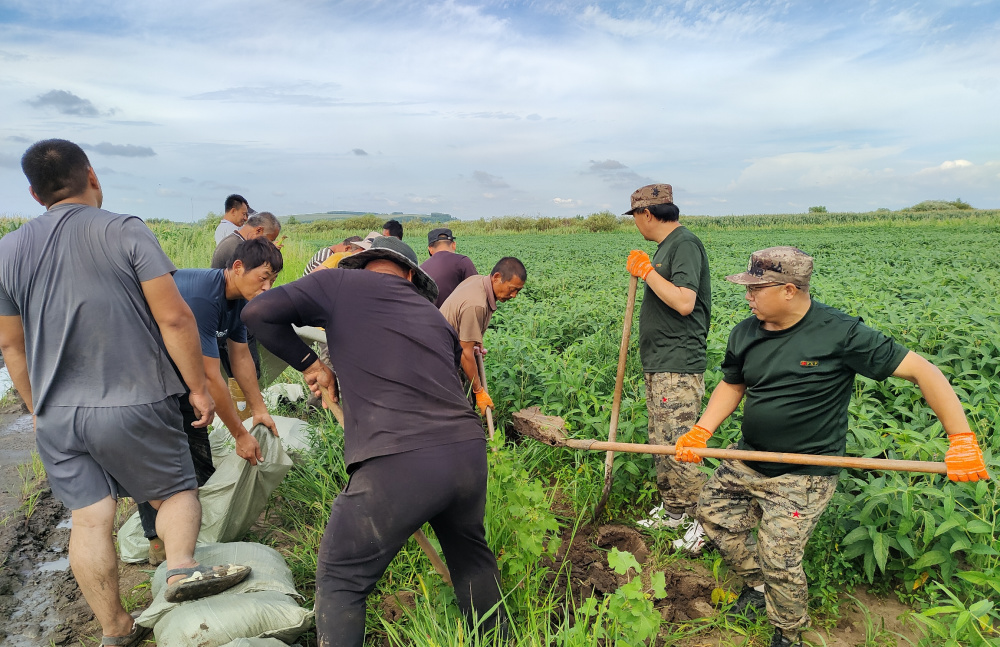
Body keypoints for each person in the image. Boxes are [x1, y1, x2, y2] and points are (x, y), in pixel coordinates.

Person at [672, 246, 990, 647]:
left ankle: (787, 633)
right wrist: (702, 430)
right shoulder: (744, 332)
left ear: (789, 289)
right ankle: (757, 586)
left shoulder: (840, 333)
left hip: (804, 472)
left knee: (780, 558)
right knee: (712, 513)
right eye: (747, 288)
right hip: (749, 455)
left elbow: (923, 371)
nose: (747, 296)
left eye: (756, 288)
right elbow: (734, 383)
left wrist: (961, 440)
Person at [0, 139, 249, 646]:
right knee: (176, 489)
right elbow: (175, 316)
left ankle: (115, 630)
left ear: (33, 193)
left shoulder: (7, 250)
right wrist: (197, 389)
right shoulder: (124, 230)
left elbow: (10, 343)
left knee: (89, 520)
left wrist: (35, 407)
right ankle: (180, 569)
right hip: (133, 398)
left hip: (56, 413)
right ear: (91, 175)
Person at [242, 236, 505, 647]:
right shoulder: (435, 316)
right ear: (411, 276)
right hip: (466, 453)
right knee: (472, 561)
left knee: (342, 579)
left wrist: (311, 364)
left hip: (397, 462)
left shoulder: (340, 285)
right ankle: (498, 639)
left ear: (364, 263)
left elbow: (257, 311)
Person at [139, 237, 282, 564]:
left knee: (198, 452)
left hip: (181, 372)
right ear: (237, 267)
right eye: (263, 277)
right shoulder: (204, 297)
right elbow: (209, 376)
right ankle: (157, 542)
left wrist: (259, 410)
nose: (267, 287)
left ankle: (192, 533)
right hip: (147, 372)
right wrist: (240, 435)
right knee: (156, 458)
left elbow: (241, 356)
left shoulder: (241, 301)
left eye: (273, 280)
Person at [622, 183, 712, 545]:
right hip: (661, 362)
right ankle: (675, 512)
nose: (636, 224)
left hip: (679, 363)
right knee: (662, 442)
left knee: (681, 444)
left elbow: (685, 302)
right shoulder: (665, 248)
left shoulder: (684, 244)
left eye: (635, 217)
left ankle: (703, 523)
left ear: (646, 214)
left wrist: (648, 272)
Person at [440, 258, 526, 415]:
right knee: (458, 410)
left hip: (448, 348)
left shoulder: (477, 281)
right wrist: (479, 390)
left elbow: (463, 329)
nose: (514, 295)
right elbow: (465, 354)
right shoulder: (476, 304)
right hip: (441, 359)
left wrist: (476, 342)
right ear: (497, 277)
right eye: (512, 289)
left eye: (518, 291)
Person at [420, 227, 478, 307]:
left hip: (429, 318)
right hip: (456, 318)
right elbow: (476, 291)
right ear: (454, 245)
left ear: (430, 249)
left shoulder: (422, 268)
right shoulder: (463, 262)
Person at [211, 211, 282, 270]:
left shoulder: (235, 241)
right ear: (258, 230)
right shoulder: (236, 247)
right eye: (269, 241)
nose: (268, 244)